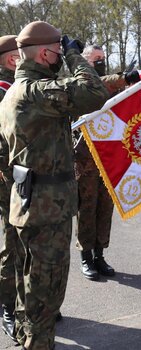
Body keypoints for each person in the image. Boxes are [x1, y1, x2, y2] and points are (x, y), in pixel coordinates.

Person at [0, 21, 108, 349]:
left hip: (31, 202)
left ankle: (26, 336)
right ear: (46, 54)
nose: (62, 55)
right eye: (58, 51)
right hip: (46, 209)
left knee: (28, 287)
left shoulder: (19, 91)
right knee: (45, 296)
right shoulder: (35, 92)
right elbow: (93, 93)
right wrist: (76, 57)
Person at [74, 44, 133, 281]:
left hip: (108, 158)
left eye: (103, 59)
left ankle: (100, 255)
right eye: (96, 59)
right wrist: (120, 78)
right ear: (85, 61)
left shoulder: (110, 88)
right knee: (86, 208)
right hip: (85, 159)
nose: (101, 62)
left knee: (104, 208)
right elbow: (100, 85)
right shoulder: (79, 85)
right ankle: (86, 257)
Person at [0, 34, 20, 343]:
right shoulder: (2, 88)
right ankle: (7, 305)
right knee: (13, 239)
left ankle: (35, 302)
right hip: (6, 175)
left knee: (34, 241)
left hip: (30, 172)